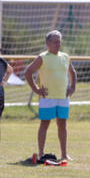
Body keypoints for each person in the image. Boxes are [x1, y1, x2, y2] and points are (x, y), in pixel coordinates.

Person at [24, 30, 76, 161]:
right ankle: (41, 153)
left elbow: (73, 73)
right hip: (48, 98)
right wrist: (36, 89)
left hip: (63, 97)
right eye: (55, 42)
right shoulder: (42, 57)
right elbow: (28, 72)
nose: (58, 44)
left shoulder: (65, 57)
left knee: (62, 125)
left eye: (59, 42)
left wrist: (72, 87)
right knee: (45, 124)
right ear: (48, 43)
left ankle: (64, 154)